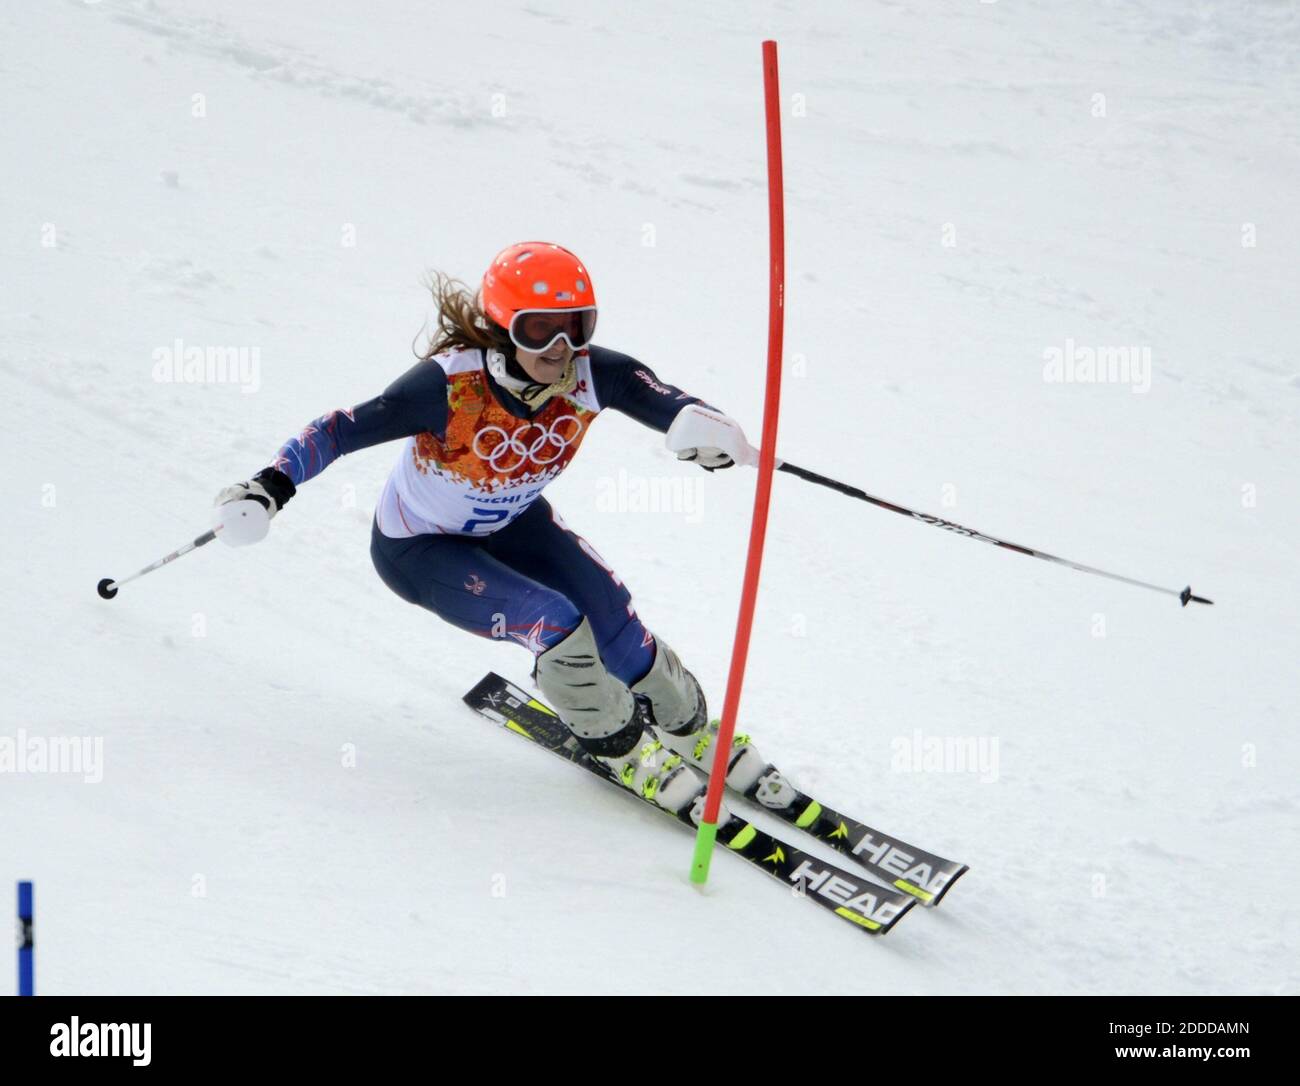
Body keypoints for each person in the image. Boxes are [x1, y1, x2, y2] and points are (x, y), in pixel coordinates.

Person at [215, 242, 781, 821]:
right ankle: (620, 745)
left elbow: (667, 401)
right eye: (541, 331)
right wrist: (269, 486)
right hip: (422, 549)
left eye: (576, 328)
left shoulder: (593, 374)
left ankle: (689, 729)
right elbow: (337, 431)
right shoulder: (446, 386)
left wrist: (710, 429)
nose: (561, 351)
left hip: (513, 523)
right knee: (555, 621)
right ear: (502, 328)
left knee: (615, 623)